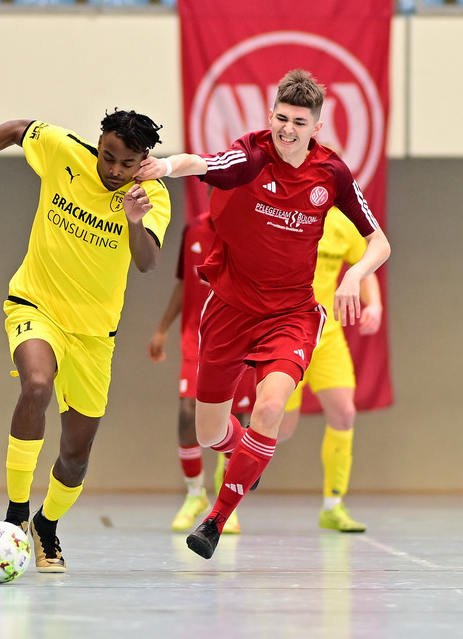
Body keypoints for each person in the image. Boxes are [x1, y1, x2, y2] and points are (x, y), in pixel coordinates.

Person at [134, 69, 390, 560]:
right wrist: (163, 168)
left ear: (316, 127)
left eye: (299, 121)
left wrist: (355, 276)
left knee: (270, 409)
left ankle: (216, 519)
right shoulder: (251, 157)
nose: (287, 129)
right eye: (281, 117)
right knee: (211, 433)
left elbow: (379, 241)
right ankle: (246, 452)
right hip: (230, 308)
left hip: (291, 313)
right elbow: (201, 161)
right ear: (269, 115)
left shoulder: (331, 173)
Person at [0, 110, 170, 572]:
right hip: (35, 305)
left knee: (75, 458)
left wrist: (135, 220)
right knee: (36, 384)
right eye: (108, 156)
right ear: (98, 146)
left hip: (95, 336)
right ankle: (17, 515)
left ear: (143, 161)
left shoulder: (151, 194)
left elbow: (148, 263)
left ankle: (46, 525)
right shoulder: (64, 151)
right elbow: (15, 129)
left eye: (126, 162)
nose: (113, 170)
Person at [276, 207, 383, 533]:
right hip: (288, 333)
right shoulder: (283, 214)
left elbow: (365, 266)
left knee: (344, 414)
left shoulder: (342, 223)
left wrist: (374, 304)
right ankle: (228, 498)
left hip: (328, 336)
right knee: (280, 428)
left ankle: (333, 505)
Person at [147, 210, 255, 534]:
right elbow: (184, 283)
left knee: (237, 415)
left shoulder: (253, 228)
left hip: (238, 334)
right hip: (197, 337)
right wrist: (163, 329)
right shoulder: (193, 229)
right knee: (187, 411)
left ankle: (227, 501)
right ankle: (195, 493)